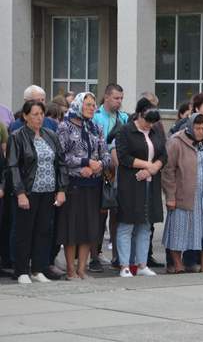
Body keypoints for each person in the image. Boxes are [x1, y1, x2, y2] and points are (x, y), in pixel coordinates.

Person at [7, 101, 67, 284]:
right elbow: (13, 166)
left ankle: (38, 269)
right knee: (24, 231)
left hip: (48, 191)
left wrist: (62, 189)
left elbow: (61, 164)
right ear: (25, 116)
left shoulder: (51, 135)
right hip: (28, 191)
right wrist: (20, 192)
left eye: (41, 114)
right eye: (34, 114)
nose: (39, 117)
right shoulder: (17, 137)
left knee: (44, 231)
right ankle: (21, 270)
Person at [57, 92, 110, 280]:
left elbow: (106, 155)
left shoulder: (96, 127)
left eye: (93, 104)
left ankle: (82, 270)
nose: (91, 107)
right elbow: (61, 156)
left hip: (93, 185)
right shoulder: (65, 126)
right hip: (74, 186)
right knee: (72, 229)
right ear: (79, 104)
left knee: (90, 228)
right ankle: (71, 270)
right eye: (87, 104)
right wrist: (85, 163)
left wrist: (98, 165)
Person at [162, 114, 203, 273]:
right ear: (189, 127)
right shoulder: (176, 142)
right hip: (184, 196)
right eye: (197, 128)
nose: (201, 131)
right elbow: (168, 171)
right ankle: (178, 264)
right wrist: (170, 196)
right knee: (178, 233)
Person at [115, 98, 167, 278]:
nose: (149, 125)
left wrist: (154, 168)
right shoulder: (125, 131)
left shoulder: (155, 131)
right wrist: (147, 165)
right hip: (130, 184)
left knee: (145, 225)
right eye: (147, 121)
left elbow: (163, 154)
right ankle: (124, 265)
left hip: (150, 184)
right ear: (139, 114)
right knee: (127, 225)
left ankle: (142, 264)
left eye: (152, 122)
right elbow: (123, 157)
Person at [91, 83, 128, 271]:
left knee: (116, 214)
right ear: (106, 97)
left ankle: (116, 256)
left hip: (119, 172)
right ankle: (94, 255)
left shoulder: (124, 117)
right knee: (99, 215)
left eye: (121, 98)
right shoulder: (96, 117)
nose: (119, 102)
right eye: (116, 98)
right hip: (99, 171)